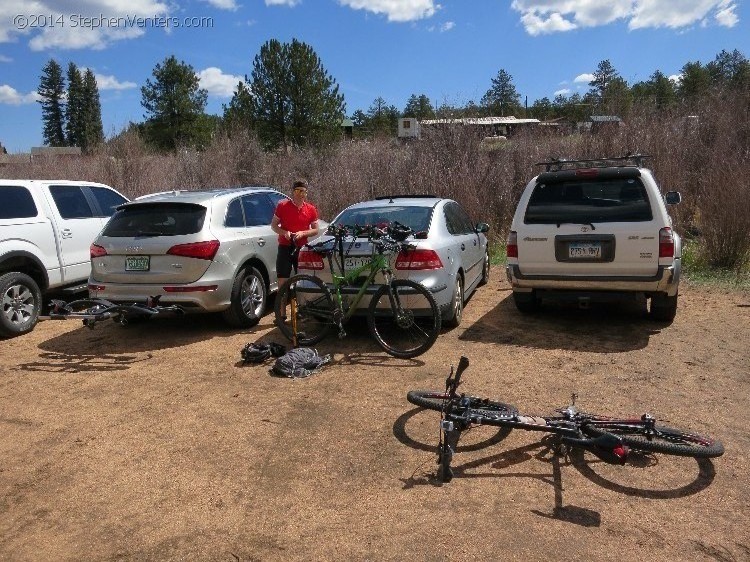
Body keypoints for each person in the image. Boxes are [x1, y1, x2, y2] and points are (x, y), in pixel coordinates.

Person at [271, 179, 320, 290]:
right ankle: (282, 306)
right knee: (282, 281)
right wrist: (284, 233)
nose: (301, 195)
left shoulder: (311, 209)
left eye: (303, 192)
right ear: (293, 192)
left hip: (301, 248)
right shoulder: (282, 206)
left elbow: (316, 230)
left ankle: (302, 305)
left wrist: (303, 233)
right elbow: (273, 225)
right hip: (285, 247)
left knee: (303, 280)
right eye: (298, 191)